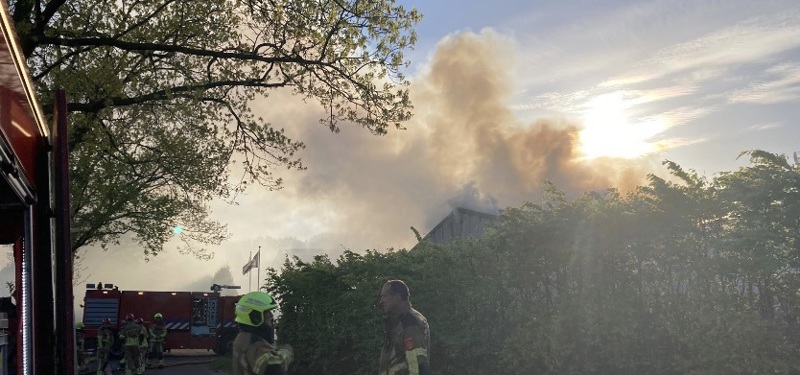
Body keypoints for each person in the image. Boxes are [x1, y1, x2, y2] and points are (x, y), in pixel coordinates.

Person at [231, 291, 294, 375]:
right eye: (268, 312)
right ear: (255, 317)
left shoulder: (245, 337)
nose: (271, 316)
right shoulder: (254, 343)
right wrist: (287, 350)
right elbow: (273, 366)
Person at [378, 280, 431, 375]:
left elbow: (419, 365)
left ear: (397, 297)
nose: (381, 301)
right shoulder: (396, 323)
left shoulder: (410, 322)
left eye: (384, 296)